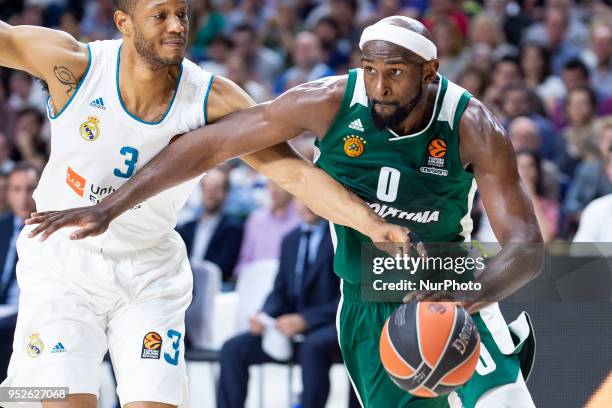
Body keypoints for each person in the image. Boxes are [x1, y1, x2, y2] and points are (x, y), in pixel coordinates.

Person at [26, 16, 544, 407]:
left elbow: (527, 248)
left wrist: (468, 294)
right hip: (366, 303)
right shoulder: (326, 101)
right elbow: (207, 146)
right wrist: (110, 208)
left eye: (395, 74)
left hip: (452, 290)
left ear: (429, 71)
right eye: (371, 71)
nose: (380, 87)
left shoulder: (473, 125)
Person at [0, 3, 408, 408]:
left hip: (149, 271)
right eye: (160, 16)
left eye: (182, 14)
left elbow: (295, 174)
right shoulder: (73, 64)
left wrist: (373, 226)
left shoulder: (212, 98)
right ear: (123, 22)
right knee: (57, 399)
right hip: (64, 262)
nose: (177, 26)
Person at [218, 201, 355, 408]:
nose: (308, 203)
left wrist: (305, 320)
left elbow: (347, 296)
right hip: (289, 330)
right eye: (301, 197)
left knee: (312, 347)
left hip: (330, 326)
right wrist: (264, 316)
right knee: (233, 348)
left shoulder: (341, 238)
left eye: (312, 198)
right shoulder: (290, 240)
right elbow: (280, 290)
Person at [0, 164, 39, 381]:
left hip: (33, 311)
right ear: (8, 194)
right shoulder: (1, 227)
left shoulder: (59, 230)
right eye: (16, 189)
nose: (24, 197)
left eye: (30, 188)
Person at [177, 168, 243, 283]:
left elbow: (223, 267)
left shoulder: (233, 228)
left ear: (226, 193)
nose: (210, 193)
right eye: (207, 188)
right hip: (183, 283)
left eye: (216, 188)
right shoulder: (187, 227)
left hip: (215, 286)